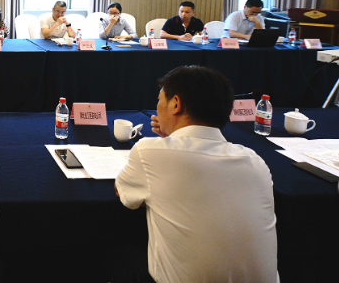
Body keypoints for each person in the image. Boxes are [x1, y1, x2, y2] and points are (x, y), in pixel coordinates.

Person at [115, 66, 278, 283]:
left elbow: (123, 193)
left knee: (117, 256)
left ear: (175, 104)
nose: (157, 107)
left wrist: (167, 143)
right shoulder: (255, 161)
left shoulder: (149, 152)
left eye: (160, 100)